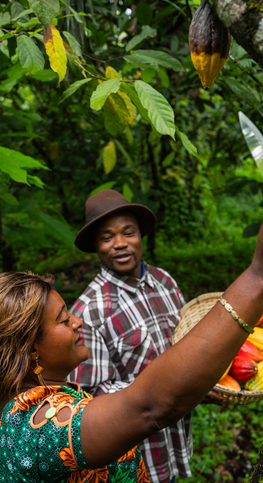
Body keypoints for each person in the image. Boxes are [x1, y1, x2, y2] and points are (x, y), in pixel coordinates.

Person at [0, 191, 263, 483]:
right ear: (28, 348)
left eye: (128, 232)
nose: (76, 322)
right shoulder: (39, 432)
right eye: (62, 318)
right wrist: (262, 276)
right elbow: (148, 406)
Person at [67, 189, 192, 482]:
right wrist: (162, 393)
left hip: (174, 438)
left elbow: (186, 342)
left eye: (128, 233)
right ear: (97, 246)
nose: (120, 244)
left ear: (140, 237)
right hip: (136, 458)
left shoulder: (165, 281)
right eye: (107, 237)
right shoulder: (88, 311)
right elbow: (89, 397)